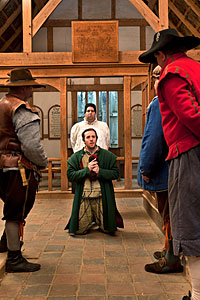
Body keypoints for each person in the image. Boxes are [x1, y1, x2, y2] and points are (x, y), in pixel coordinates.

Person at [139, 28, 200, 300]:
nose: (157, 65)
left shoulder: (172, 74)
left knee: (190, 231)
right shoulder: (196, 68)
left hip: (188, 154)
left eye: (156, 59)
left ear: (162, 54)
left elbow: (191, 116)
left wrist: (145, 169)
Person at [0, 68, 48, 273]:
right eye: (30, 86)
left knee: (12, 208)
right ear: (23, 87)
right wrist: (43, 163)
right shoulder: (21, 110)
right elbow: (31, 146)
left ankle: (5, 243)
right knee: (15, 211)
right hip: (17, 169)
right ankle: (14, 258)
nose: (31, 89)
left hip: (3, 165)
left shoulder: (1, 105)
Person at [137, 65, 183, 274]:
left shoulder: (158, 104)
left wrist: (145, 168)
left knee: (169, 214)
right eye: (156, 77)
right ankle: (168, 251)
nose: (157, 81)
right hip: (177, 168)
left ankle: (171, 258)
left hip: (165, 170)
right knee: (171, 214)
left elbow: (153, 139)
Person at [65, 128, 124, 235]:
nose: (91, 139)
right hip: (84, 196)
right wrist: (86, 170)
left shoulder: (107, 155)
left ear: (96, 138)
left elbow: (116, 174)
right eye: (88, 137)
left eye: (93, 137)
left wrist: (100, 171)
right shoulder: (77, 157)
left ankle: (97, 220)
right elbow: (70, 175)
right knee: (79, 231)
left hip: (102, 196)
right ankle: (90, 220)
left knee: (108, 230)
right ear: (83, 140)